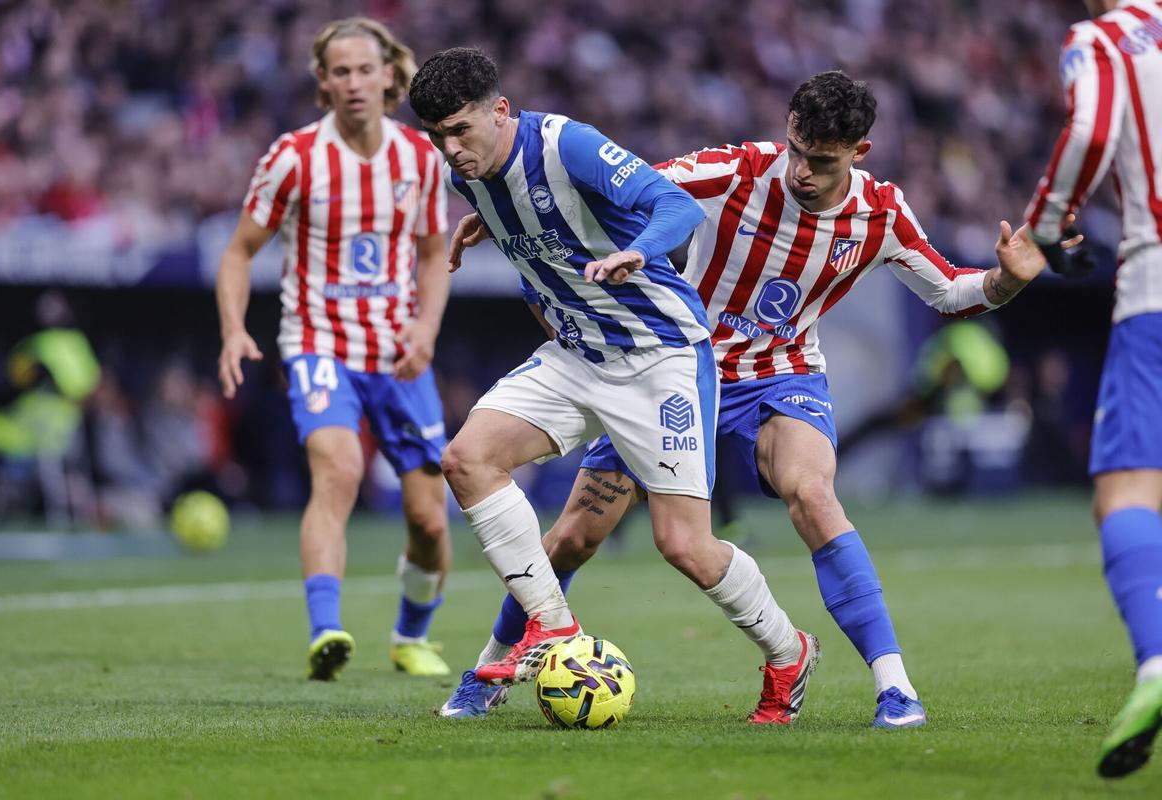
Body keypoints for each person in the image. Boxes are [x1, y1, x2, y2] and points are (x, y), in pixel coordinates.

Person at [439, 71, 1076, 727]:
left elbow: (949, 291)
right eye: (796, 148)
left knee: (814, 496)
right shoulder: (736, 171)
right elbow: (618, 193)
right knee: (573, 537)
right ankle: (492, 668)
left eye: (820, 160)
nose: (800, 169)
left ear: (859, 152)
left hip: (784, 374)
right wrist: (511, 220)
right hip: (674, 366)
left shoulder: (881, 214)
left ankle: (895, 687)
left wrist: (1004, 281)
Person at [408, 47, 819, 723]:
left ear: (500, 111)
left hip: (661, 360)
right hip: (580, 356)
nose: (450, 150)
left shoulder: (566, 144)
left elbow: (677, 208)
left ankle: (787, 650)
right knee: (468, 461)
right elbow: (538, 255)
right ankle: (549, 632)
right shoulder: (469, 178)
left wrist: (639, 250)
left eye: (460, 131)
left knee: (683, 544)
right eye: (437, 136)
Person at [216, 17, 453, 681]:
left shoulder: (420, 158)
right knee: (339, 469)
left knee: (429, 522)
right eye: (339, 72)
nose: (353, 83)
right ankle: (327, 630)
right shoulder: (293, 157)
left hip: (400, 354)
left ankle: (412, 637)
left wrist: (426, 328)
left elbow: (435, 256)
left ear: (388, 76)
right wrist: (235, 329)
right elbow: (238, 252)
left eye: (364, 70)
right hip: (319, 344)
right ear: (322, 82)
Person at [1026, 0, 1162, 778]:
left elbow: (1090, 132)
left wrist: (1050, 225)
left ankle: (1155, 666)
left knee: (1127, 495)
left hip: (1154, 292)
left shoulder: (1105, 37)